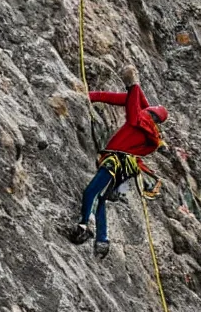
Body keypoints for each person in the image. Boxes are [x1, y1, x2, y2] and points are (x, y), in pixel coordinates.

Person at [70, 65, 168, 258]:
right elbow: (117, 99)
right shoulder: (149, 126)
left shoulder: (143, 122)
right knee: (102, 198)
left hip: (115, 161)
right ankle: (102, 239)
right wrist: (89, 95)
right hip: (124, 166)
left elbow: (133, 115)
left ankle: (84, 225)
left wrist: (132, 85)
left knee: (91, 192)